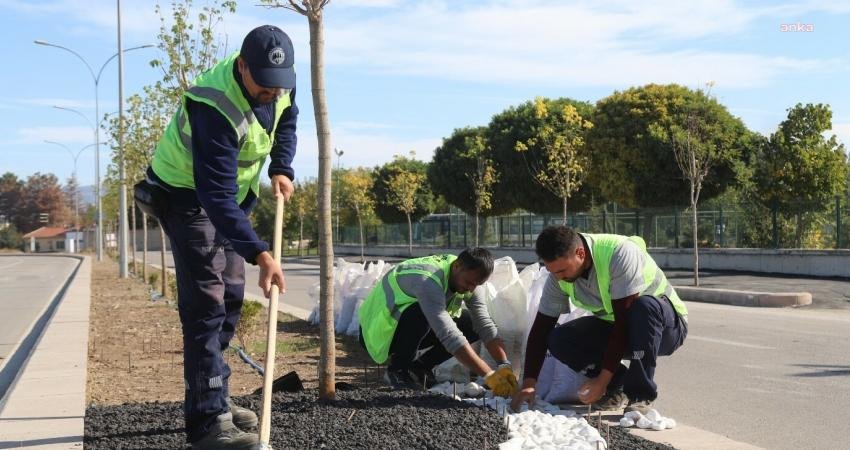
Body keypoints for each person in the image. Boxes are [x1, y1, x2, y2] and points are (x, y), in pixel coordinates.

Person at [135, 25, 298, 450]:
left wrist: (282, 166)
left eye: (278, 87)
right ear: (242, 67)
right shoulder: (215, 106)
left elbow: (287, 122)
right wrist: (261, 254)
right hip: (185, 196)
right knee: (206, 303)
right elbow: (214, 196)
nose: (272, 94)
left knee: (229, 298)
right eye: (264, 86)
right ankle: (208, 423)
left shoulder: (281, 86)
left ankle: (216, 398)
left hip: (232, 199)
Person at [511, 226, 688, 414]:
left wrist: (601, 381)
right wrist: (528, 384)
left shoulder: (619, 254)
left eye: (562, 271)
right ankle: (617, 385)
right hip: (621, 328)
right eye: (552, 272)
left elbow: (623, 324)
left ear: (580, 253)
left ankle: (640, 395)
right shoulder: (557, 277)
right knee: (559, 338)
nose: (558, 277)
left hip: (666, 328)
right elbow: (541, 330)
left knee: (643, 306)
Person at [357, 248, 518, 396]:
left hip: (406, 327)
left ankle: (420, 367)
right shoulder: (427, 281)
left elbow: (484, 324)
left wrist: (504, 364)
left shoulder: (469, 278)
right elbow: (449, 335)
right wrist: (489, 376)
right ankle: (397, 370)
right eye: (469, 283)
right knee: (422, 313)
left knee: (470, 324)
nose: (471, 289)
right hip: (378, 331)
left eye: (476, 285)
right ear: (457, 267)